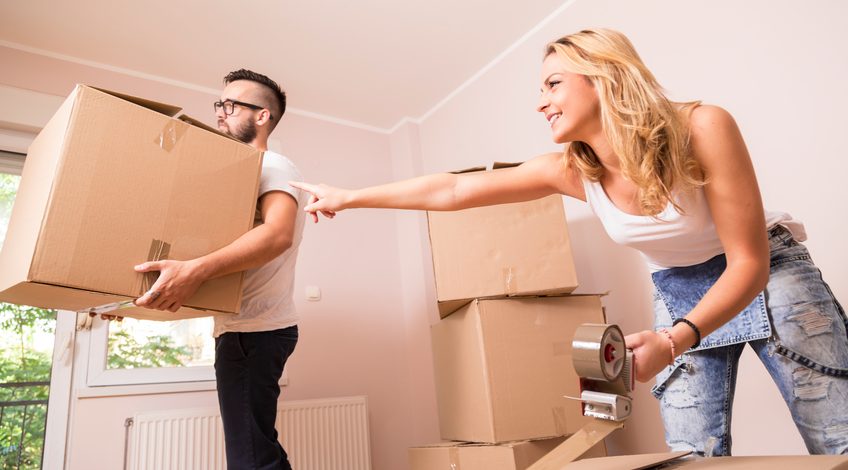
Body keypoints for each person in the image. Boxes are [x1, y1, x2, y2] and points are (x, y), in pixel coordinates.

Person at [290, 29, 848, 456]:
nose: (541, 102)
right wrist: (350, 196)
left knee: (836, 435)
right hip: (680, 286)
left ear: (603, 76)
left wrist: (674, 341)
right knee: (691, 455)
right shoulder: (573, 171)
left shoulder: (701, 127)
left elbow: (746, 262)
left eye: (553, 83)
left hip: (769, 268)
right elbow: (456, 189)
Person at [133, 69, 307, 470]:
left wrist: (196, 270)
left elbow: (278, 234)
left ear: (262, 116)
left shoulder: (273, 165)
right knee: (257, 451)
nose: (219, 113)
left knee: (251, 458)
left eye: (231, 105)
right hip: (247, 333)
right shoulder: (240, 178)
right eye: (219, 105)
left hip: (255, 333)